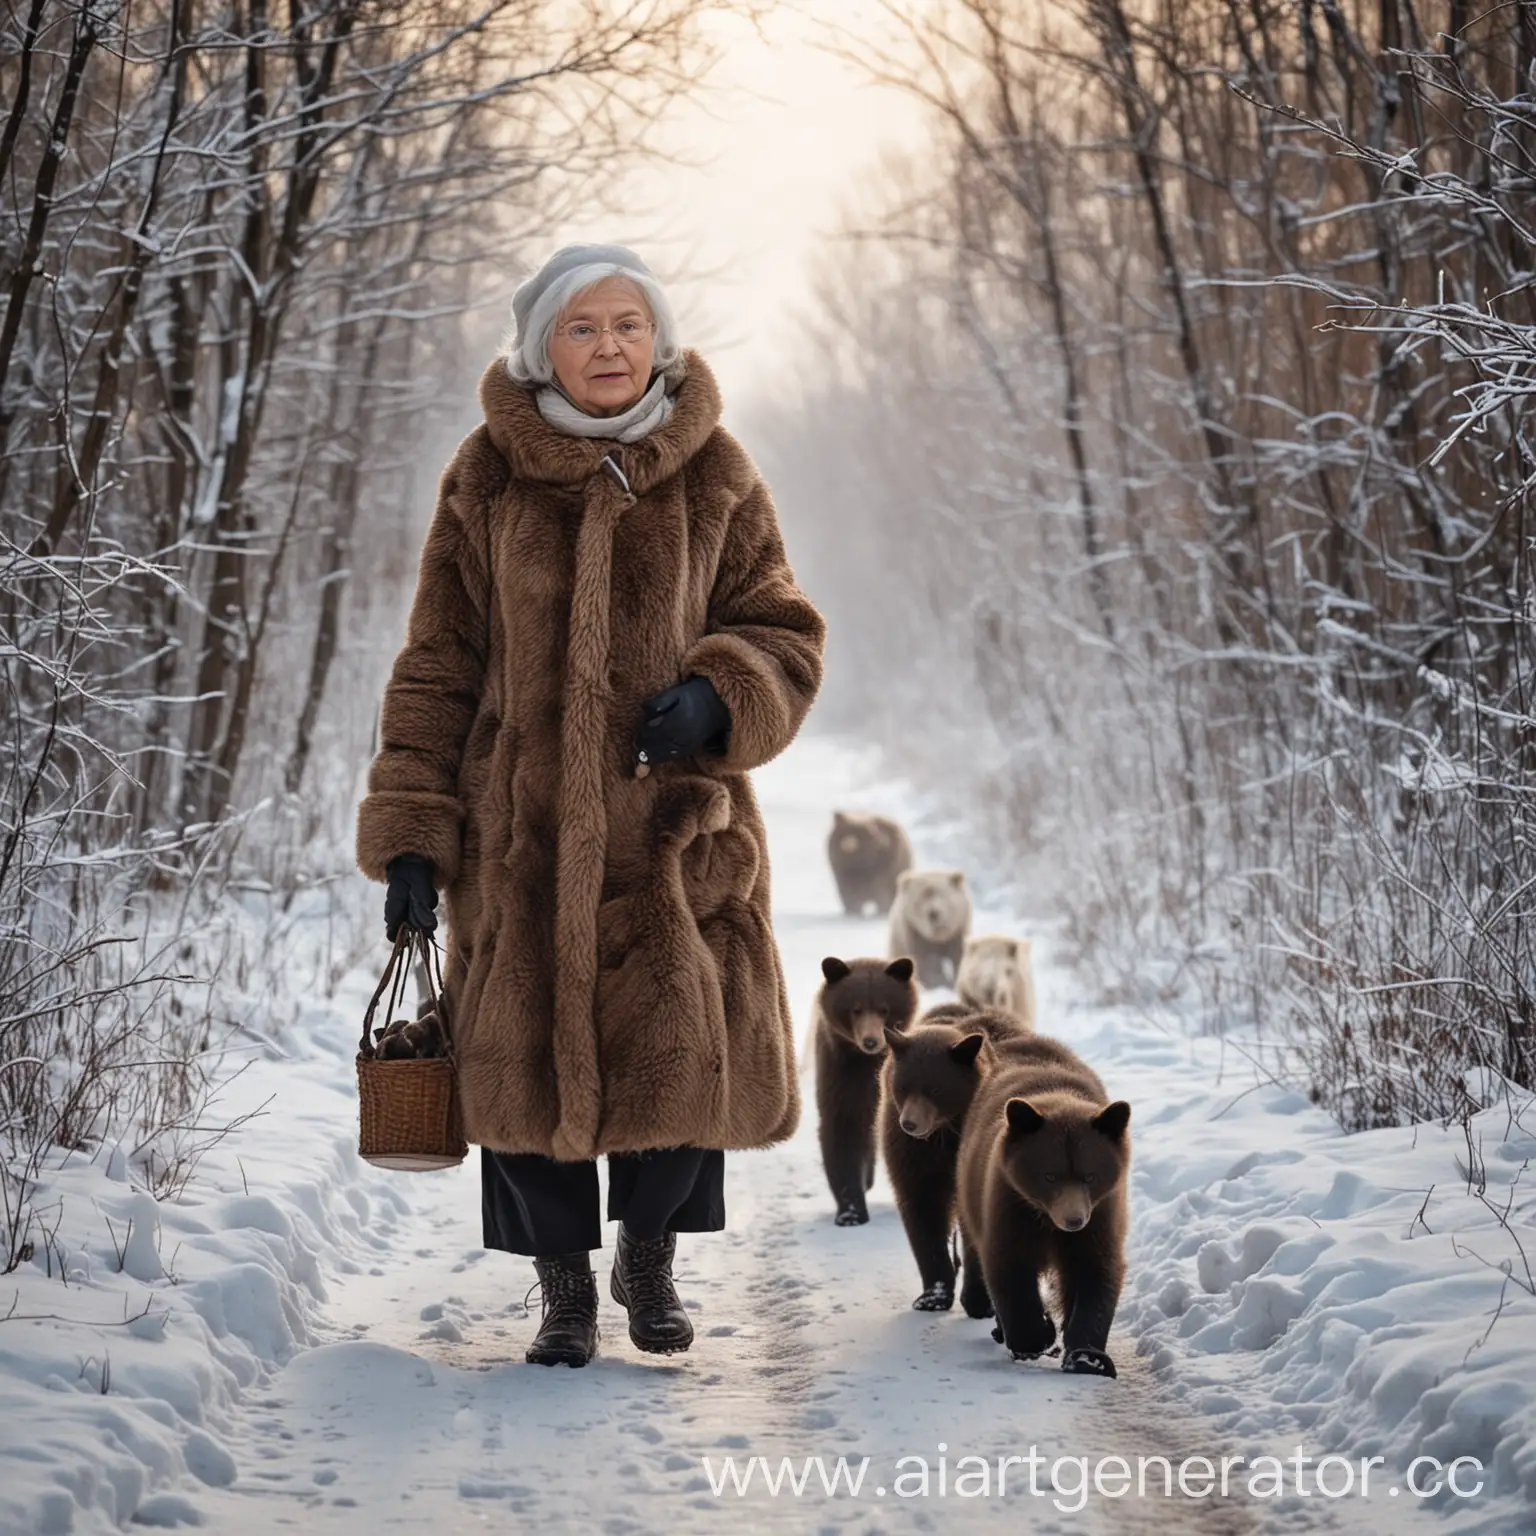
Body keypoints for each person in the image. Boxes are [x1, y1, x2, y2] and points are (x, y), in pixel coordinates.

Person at [355, 244, 826, 1367]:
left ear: (657, 341)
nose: (610, 346)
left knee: (677, 1049)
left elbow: (783, 627)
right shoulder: (485, 477)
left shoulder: (716, 472)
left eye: (628, 325)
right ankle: (564, 1288)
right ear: (540, 347)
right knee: (522, 1059)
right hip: (519, 831)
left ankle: (649, 1258)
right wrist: (415, 836)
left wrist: (720, 696)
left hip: (670, 832)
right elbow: (438, 661)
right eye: (583, 327)